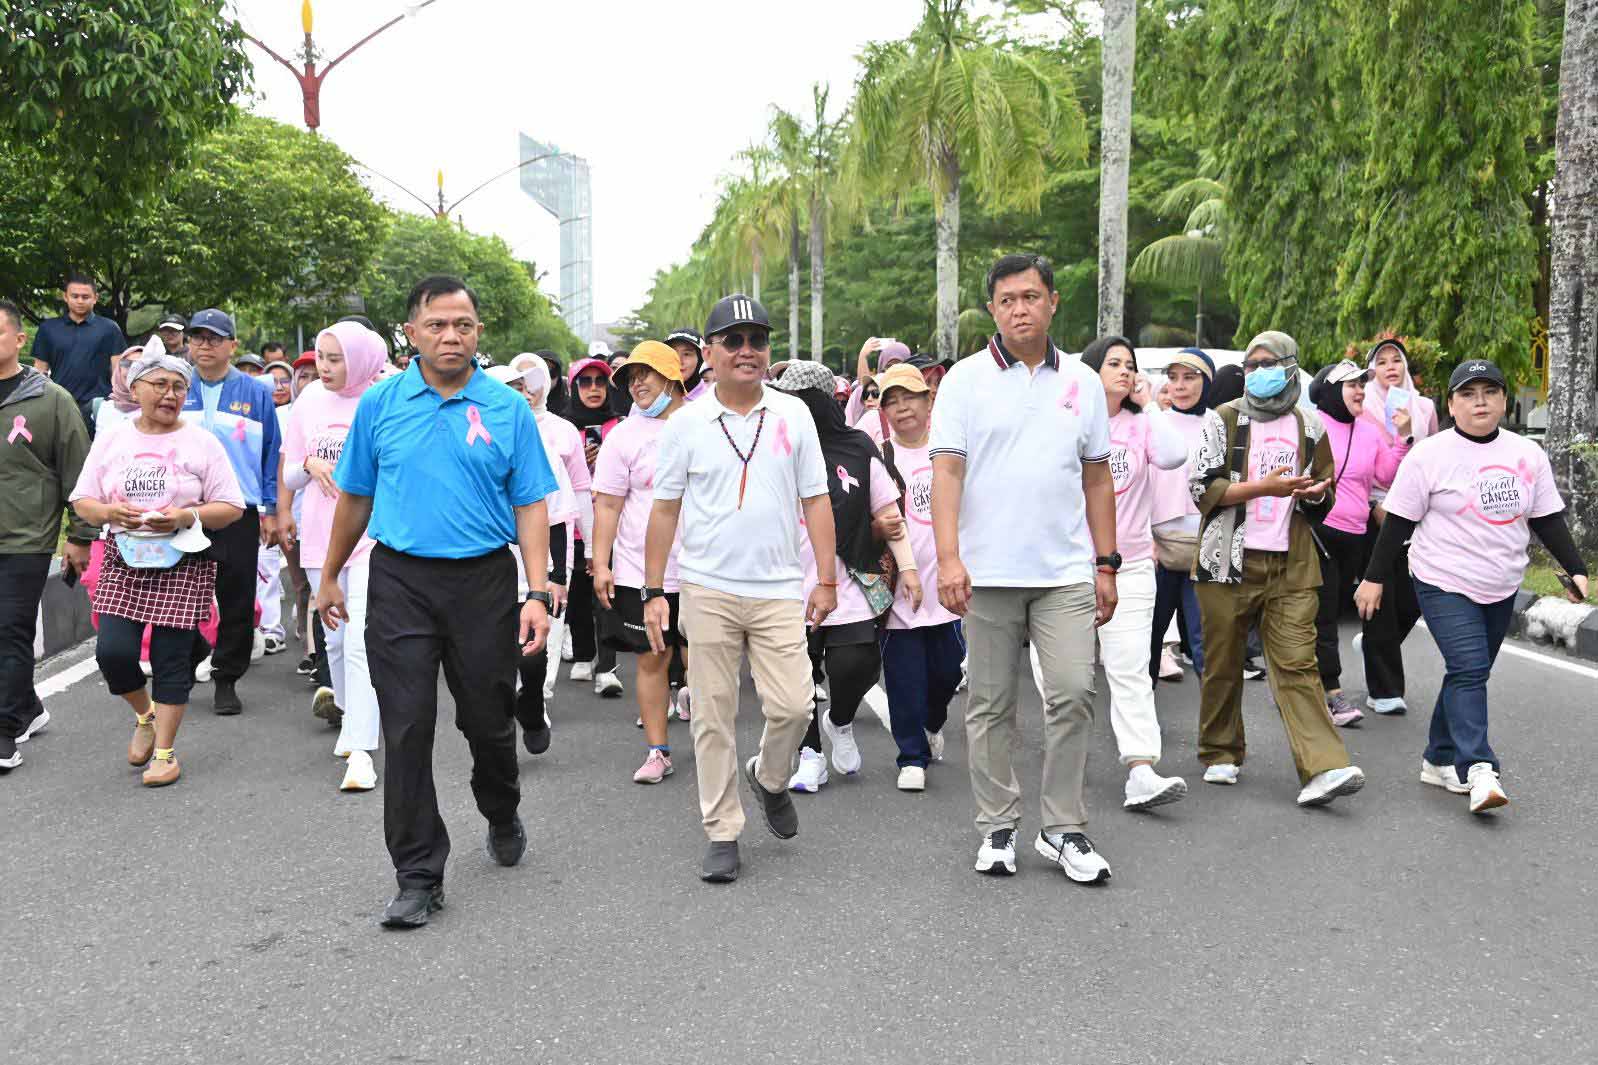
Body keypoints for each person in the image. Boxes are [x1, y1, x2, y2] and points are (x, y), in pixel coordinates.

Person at [319, 276, 557, 929]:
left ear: (479, 332)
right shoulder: (381, 404)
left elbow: (532, 502)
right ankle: (418, 874)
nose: (452, 335)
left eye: (464, 324)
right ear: (412, 331)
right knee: (405, 726)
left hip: (483, 582)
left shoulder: (507, 409)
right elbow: (355, 497)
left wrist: (535, 589)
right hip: (399, 582)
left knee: (486, 720)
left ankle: (501, 806)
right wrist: (331, 573)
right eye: (438, 324)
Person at [930, 254, 1117, 884]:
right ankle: (998, 825)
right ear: (993, 309)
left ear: (1053, 302)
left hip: (1063, 571)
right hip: (985, 574)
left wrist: (1106, 563)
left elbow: (1096, 477)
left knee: (1073, 693)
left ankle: (1063, 829)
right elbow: (947, 472)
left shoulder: (1085, 384)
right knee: (990, 705)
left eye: (1031, 297)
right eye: (1007, 299)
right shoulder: (964, 379)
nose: (1019, 309)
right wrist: (950, 558)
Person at [644, 293, 836, 884]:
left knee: (794, 706)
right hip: (708, 589)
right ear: (708, 353)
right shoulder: (686, 425)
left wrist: (825, 578)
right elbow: (664, 510)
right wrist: (655, 590)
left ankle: (770, 778)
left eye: (757, 340)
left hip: (779, 587)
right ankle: (722, 829)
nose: (747, 351)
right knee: (713, 714)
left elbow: (816, 499)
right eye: (733, 340)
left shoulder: (793, 415)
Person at [1355, 359, 1587, 814]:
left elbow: (1546, 518)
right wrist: (1374, 578)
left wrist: (1575, 568)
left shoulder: (1526, 454)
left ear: (1503, 400)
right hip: (1442, 579)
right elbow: (1398, 521)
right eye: (1468, 393)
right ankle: (1479, 767)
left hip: (1501, 582)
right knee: (1468, 665)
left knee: (1470, 671)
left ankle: (1437, 757)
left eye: (1489, 392)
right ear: (1451, 404)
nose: (1479, 401)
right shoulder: (1430, 455)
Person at [1189, 331, 1365, 806]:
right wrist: (1262, 488)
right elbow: (1202, 489)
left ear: (1291, 367)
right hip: (1226, 560)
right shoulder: (1223, 419)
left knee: (1297, 664)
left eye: (1268, 363)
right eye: (1250, 365)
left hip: (1292, 564)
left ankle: (1324, 768)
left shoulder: (1310, 426)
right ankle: (1220, 750)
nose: (1258, 373)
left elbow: (1325, 494)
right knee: (1223, 662)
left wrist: (1314, 495)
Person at [69, 350, 244, 785]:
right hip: (123, 556)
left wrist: (188, 516)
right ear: (136, 388)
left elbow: (232, 506)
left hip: (182, 559)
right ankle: (144, 714)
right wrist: (110, 512)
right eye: (160, 385)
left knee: (170, 659)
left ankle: (165, 754)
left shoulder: (202, 441)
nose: (170, 395)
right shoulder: (112, 438)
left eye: (179, 387)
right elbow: (82, 500)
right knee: (112, 653)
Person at [774, 359, 918, 794]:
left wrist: (907, 567)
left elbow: (887, 513)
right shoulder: (770, 448)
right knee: (794, 680)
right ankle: (810, 756)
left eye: (797, 401)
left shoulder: (857, 448)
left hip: (849, 576)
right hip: (783, 582)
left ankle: (839, 720)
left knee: (856, 663)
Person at [1076, 336, 1190, 810]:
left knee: (1129, 670)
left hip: (1133, 563)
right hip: (1071, 568)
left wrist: (1150, 406)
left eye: (1130, 365)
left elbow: (1173, 456)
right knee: (1066, 676)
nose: (1124, 371)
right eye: (1113, 363)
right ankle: (1065, 758)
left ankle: (1141, 770)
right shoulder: (1072, 421)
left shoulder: (1143, 426)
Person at [278, 322, 389, 792]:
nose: (323, 367)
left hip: (372, 538)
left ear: (361, 359)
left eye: (335, 358)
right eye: (320, 357)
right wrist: (310, 464)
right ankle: (349, 718)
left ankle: (363, 750)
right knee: (336, 640)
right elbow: (288, 475)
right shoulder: (308, 404)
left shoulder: (384, 399)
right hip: (321, 539)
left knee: (363, 640)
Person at [0, 300, 97, 771]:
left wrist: (79, 536)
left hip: (26, 536)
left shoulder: (51, 399)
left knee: (9, 629)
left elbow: (77, 472)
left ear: (20, 339)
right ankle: (27, 708)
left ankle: (3, 733)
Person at [590, 342, 693, 783]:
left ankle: (710, 741)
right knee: (652, 658)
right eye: (630, 378)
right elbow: (608, 504)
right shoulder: (624, 437)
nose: (637, 383)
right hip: (640, 571)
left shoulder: (703, 426)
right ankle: (658, 750)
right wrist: (601, 562)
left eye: (645, 373)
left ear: (672, 374)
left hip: (703, 569)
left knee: (705, 660)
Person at [179, 309, 281, 715]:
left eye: (214, 338)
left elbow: (272, 451)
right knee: (180, 593)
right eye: (197, 337)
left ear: (232, 346)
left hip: (239, 508)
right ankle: (187, 659)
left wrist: (271, 508)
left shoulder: (255, 393)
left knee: (236, 596)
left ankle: (226, 676)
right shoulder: (177, 386)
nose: (204, 345)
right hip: (185, 510)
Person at [872, 363, 963, 791]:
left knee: (946, 671)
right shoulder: (878, 454)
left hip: (947, 584)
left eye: (909, 397)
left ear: (929, 400)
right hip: (899, 587)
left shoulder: (951, 449)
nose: (901, 407)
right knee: (905, 675)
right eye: (891, 400)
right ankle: (911, 755)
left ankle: (932, 721)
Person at [1306, 359, 1410, 727]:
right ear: (1333, 391)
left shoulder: (1368, 431)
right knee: (1324, 615)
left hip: (1356, 534)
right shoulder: (1313, 428)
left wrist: (1402, 439)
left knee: (1330, 612)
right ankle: (1332, 692)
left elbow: (1384, 473)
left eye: (1362, 385)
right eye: (1351, 385)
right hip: (1319, 533)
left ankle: (1301, 680)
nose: (1360, 391)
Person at [489, 359, 574, 756]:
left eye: (521, 388)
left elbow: (554, 519)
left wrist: (555, 577)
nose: (518, 395)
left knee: (530, 659)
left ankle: (533, 705)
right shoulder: (466, 444)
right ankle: (502, 727)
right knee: (493, 662)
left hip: (530, 575)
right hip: (481, 573)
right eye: (507, 389)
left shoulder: (544, 450)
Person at [1354, 337, 1439, 714]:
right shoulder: (1364, 407)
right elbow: (1361, 461)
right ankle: (1384, 689)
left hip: (1420, 508)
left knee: (1415, 595)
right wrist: (1373, 502)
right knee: (1380, 596)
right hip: (1378, 508)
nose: (1390, 366)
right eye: (1382, 361)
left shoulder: (1424, 406)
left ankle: (1372, 645)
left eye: (1396, 360)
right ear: (1372, 369)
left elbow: (1437, 453)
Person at [507, 353, 587, 712]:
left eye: (531, 382)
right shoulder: (482, 435)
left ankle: (539, 697)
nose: (525, 391)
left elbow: (580, 492)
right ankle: (512, 696)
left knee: (549, 627)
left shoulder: (562, 432)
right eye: (516, 384)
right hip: (500, 555)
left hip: (554, 545)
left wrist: (592, 552)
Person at [1146, 348, 1214, 688]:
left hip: (1205, 545)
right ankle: (1139, 723)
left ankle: (1219, 732)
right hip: (1157, 547)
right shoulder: (1154, 422)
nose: (1180, 386)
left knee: (1205, 642)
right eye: (1173, 378)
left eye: (1190, 377)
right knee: (1149, 637)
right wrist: (1146, 541)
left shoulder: (1220, 423)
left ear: (1208, 380)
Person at [563, 356, 623, 696]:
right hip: (573, 526)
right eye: (585, 382)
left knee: (608, 595)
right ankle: (584, 655)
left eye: (600, 381)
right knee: (578, 596)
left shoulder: (621, 425)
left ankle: (607, 668)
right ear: (574, 387)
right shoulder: (563, 428)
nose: (594, 388)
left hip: (613, 525)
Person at [28, 272, 126, 432]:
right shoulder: (48, 329)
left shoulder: (110, 328)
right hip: (58, 403)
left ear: (95, 298)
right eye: (75, 296)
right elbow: (40, 371)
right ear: (65, 297)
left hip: (99, 405)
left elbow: (119, 370)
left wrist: (119, 402)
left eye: (85, 297)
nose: (80, 301)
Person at [665, 328, 710, 401]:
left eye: (687, 354)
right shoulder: (654, 397)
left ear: (700, 359)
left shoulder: (709, 401)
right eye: (673, 353)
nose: (679, 361)